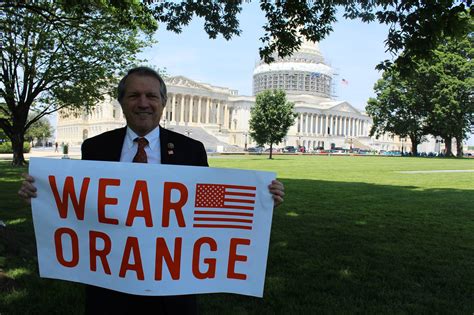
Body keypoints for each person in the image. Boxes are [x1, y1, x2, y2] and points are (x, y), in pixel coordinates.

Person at [18, 66, 285, 315]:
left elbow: (206, 204)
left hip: (173, 286)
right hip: (109, 281)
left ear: (163, 102)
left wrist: (257, 201)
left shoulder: (190, 150)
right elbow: (80, 201)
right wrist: (41, 193)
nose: (143, 103)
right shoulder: (96, 148)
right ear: (121, 102)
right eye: (134, 95)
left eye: (151, 96)